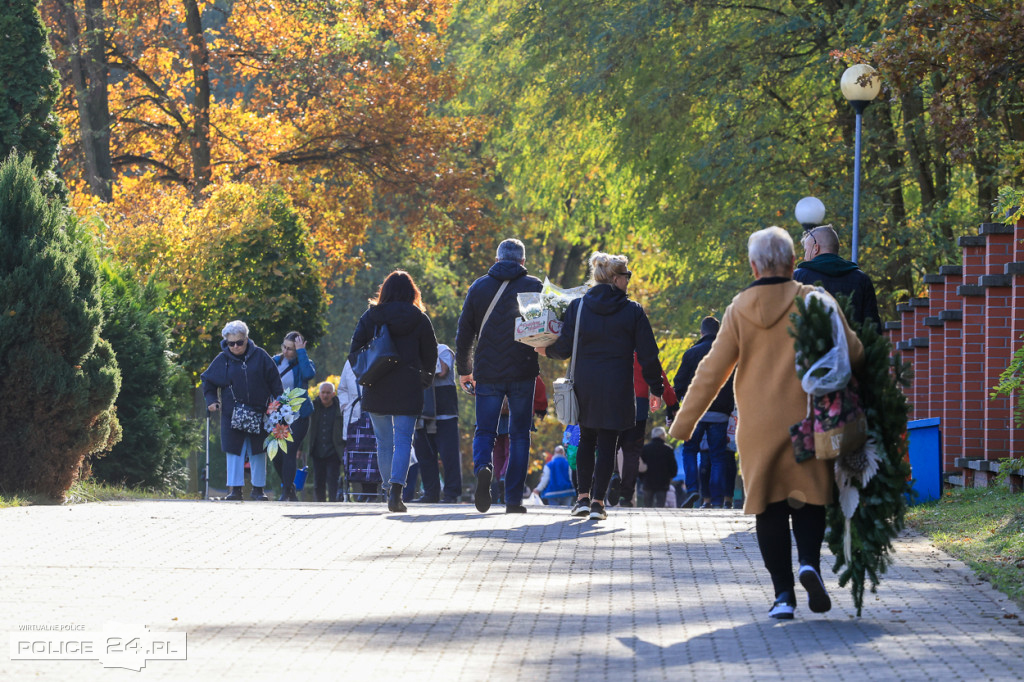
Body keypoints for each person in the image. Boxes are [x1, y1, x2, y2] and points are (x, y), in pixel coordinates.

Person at [669, 226, 864, 620]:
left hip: (758, 427)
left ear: (754, 266)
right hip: (809, 419)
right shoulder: (816, 300)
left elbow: (712, 370)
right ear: (794, 262)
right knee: (809, 497)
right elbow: (855, 352)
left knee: (769, 508)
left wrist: (683, 424)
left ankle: (783, 596)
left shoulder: (740, 307)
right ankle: (809, 562)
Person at [540, 252, 664, 521]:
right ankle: (598, 503)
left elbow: (563, 347)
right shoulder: (633, 311)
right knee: (609, 443)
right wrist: (657, 388)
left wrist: (544, 350)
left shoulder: (579, 307)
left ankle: (582, 498)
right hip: (618, 385)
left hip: (585, 384)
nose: (629, 281)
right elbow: (648, 354)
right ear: (615, 278)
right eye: (627, 276)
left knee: (586, 439)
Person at [456, 238, 544, 514]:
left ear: (496, 260)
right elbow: (540, 328)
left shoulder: (479, 286)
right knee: (519, 435)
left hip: (488, 371)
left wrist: (464, 370)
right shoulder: (533, 286)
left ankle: (484, 467)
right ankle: (513, 499)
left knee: (485, 429)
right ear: (522, 262)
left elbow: (465, 334)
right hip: (522, 370)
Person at [350, 271, 438, 513]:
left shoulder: (371, 316)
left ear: (384, 291)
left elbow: (354, 349)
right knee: (403, 442)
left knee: (383, 443)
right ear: (412, 292)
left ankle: (389, 491)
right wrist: (425, 378)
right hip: (408, 386)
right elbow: (431, 353)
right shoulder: (419, 319)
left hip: (377, 384)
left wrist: (365, 371)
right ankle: (397, 492)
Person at [201, 320, 283, 501]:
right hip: (232, 414)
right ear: (226, 342)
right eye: (231, 343)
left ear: (247, 339)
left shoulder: (261, 356)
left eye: (240, 342)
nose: (236, 346)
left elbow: (275, 382)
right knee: (234, 451)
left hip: (260, 412)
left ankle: (258, 490)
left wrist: (279, 404)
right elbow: (207, 381)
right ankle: (235, 490)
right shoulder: (222, 360)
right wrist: (212, 401)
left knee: (258, 451)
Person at [673, 316, 735, 509]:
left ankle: (692, 489)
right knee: (718, 456)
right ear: (719, 332)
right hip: (720, 414)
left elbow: (679, 383)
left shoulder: (691, 353)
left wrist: (675, 408)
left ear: (701, 332)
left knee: (690, 450)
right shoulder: (729, 355)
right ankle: (716, 499)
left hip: (696, 412)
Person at [610, 355, 677, 507]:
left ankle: (613, 473)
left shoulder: (612, 344)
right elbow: (659, 375)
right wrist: (672, 403)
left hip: (613, 400)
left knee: (611, 445)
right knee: (632, 452)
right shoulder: (643, 349)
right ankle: (626, 496)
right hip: (639, 402)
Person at [793, 224, 881, 331]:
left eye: (806, 250)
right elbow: (872, 327)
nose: (804, 257)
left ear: (816, 248)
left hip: (810, 347)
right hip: (851, 347)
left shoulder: (798, 277)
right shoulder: (862, 280)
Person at [413, 342, 462, 503]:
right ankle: (430, 493)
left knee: (449, 456)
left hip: (445, 413)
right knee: (425, 456)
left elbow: (441, 371)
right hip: (422, 415)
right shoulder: (414, 352)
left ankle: (451, 494)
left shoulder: (443, 350)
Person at [271, 331, 317, 501]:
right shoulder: (274, 362)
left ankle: (285, 493)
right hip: (278, 416)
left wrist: (301, 353)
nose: (286, 351)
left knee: (289, 450)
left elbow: (309, 375)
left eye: (291, 349)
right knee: (275, 454)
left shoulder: (304, 363)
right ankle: (289, 488)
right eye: (284, 347)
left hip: (298, 416)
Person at [303, 381, 344, 502]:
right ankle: (319, 505)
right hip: (317, 450)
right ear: (319, 393)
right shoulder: (312, 407)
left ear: (333, 394)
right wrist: (301, 448)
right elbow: (305, 428)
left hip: (334, 451)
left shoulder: (340, 408)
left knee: (333, 481)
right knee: (318, 482)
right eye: (323, 392)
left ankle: (333, 504)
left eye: (328, 392)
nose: (325, 395)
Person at [639, 427, 677, 508]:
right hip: (663, 482)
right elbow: (673, 467)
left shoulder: (645, 448)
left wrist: (642, 479)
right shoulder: (668, 449)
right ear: (662, 435)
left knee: (647, 506)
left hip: (647, 481)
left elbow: (640, 466)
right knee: (660, 506)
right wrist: (670, 476)